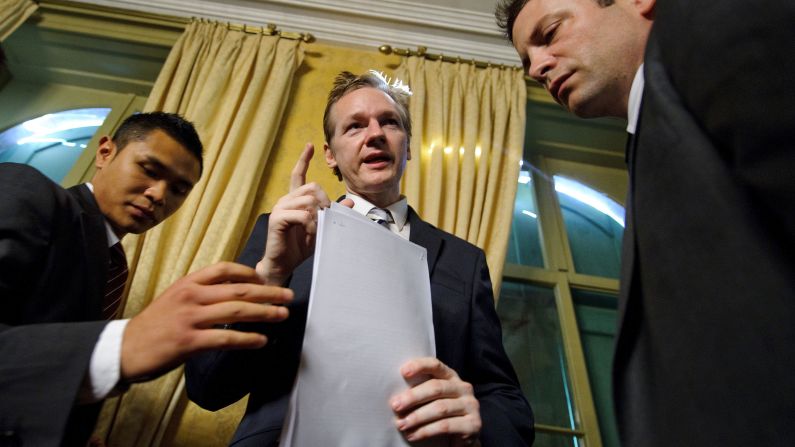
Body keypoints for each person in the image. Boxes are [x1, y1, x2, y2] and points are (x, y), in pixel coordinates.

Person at [497, 0, 795, 445]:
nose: (537, 67)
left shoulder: (703, 26)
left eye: (551, 33)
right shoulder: (650, 137)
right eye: (527, 61)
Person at [185, 71, 534, 446]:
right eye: (354, 126)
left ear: (408, 147)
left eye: (390, 122)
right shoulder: (281, 234)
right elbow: (208, 387)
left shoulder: (464, 261)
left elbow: (504, 396)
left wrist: (477, 424)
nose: (375, 134)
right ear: (330, 156)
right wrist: (271, 275)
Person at [0, 112, 294, 446]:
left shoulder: (109, 260)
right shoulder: (24, 190)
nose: (159, 194)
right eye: (149, 170)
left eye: (179, 189)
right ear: (105, 152)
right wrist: (121, 344)